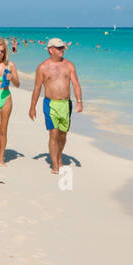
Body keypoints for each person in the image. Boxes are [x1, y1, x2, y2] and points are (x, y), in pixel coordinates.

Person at [28, 37, 83, 174]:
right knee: (53, 133)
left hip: (65, 104)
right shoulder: (42, 67)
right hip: (50, 104)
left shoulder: (69, 65)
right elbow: (37, 88)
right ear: (51, 50)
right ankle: (55, 164)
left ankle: (59, 156)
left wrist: (79, 101)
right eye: (59, 48)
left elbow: (75, 83)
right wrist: (32, 106)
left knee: (63, 135)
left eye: (62, 47)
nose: (62, 50)